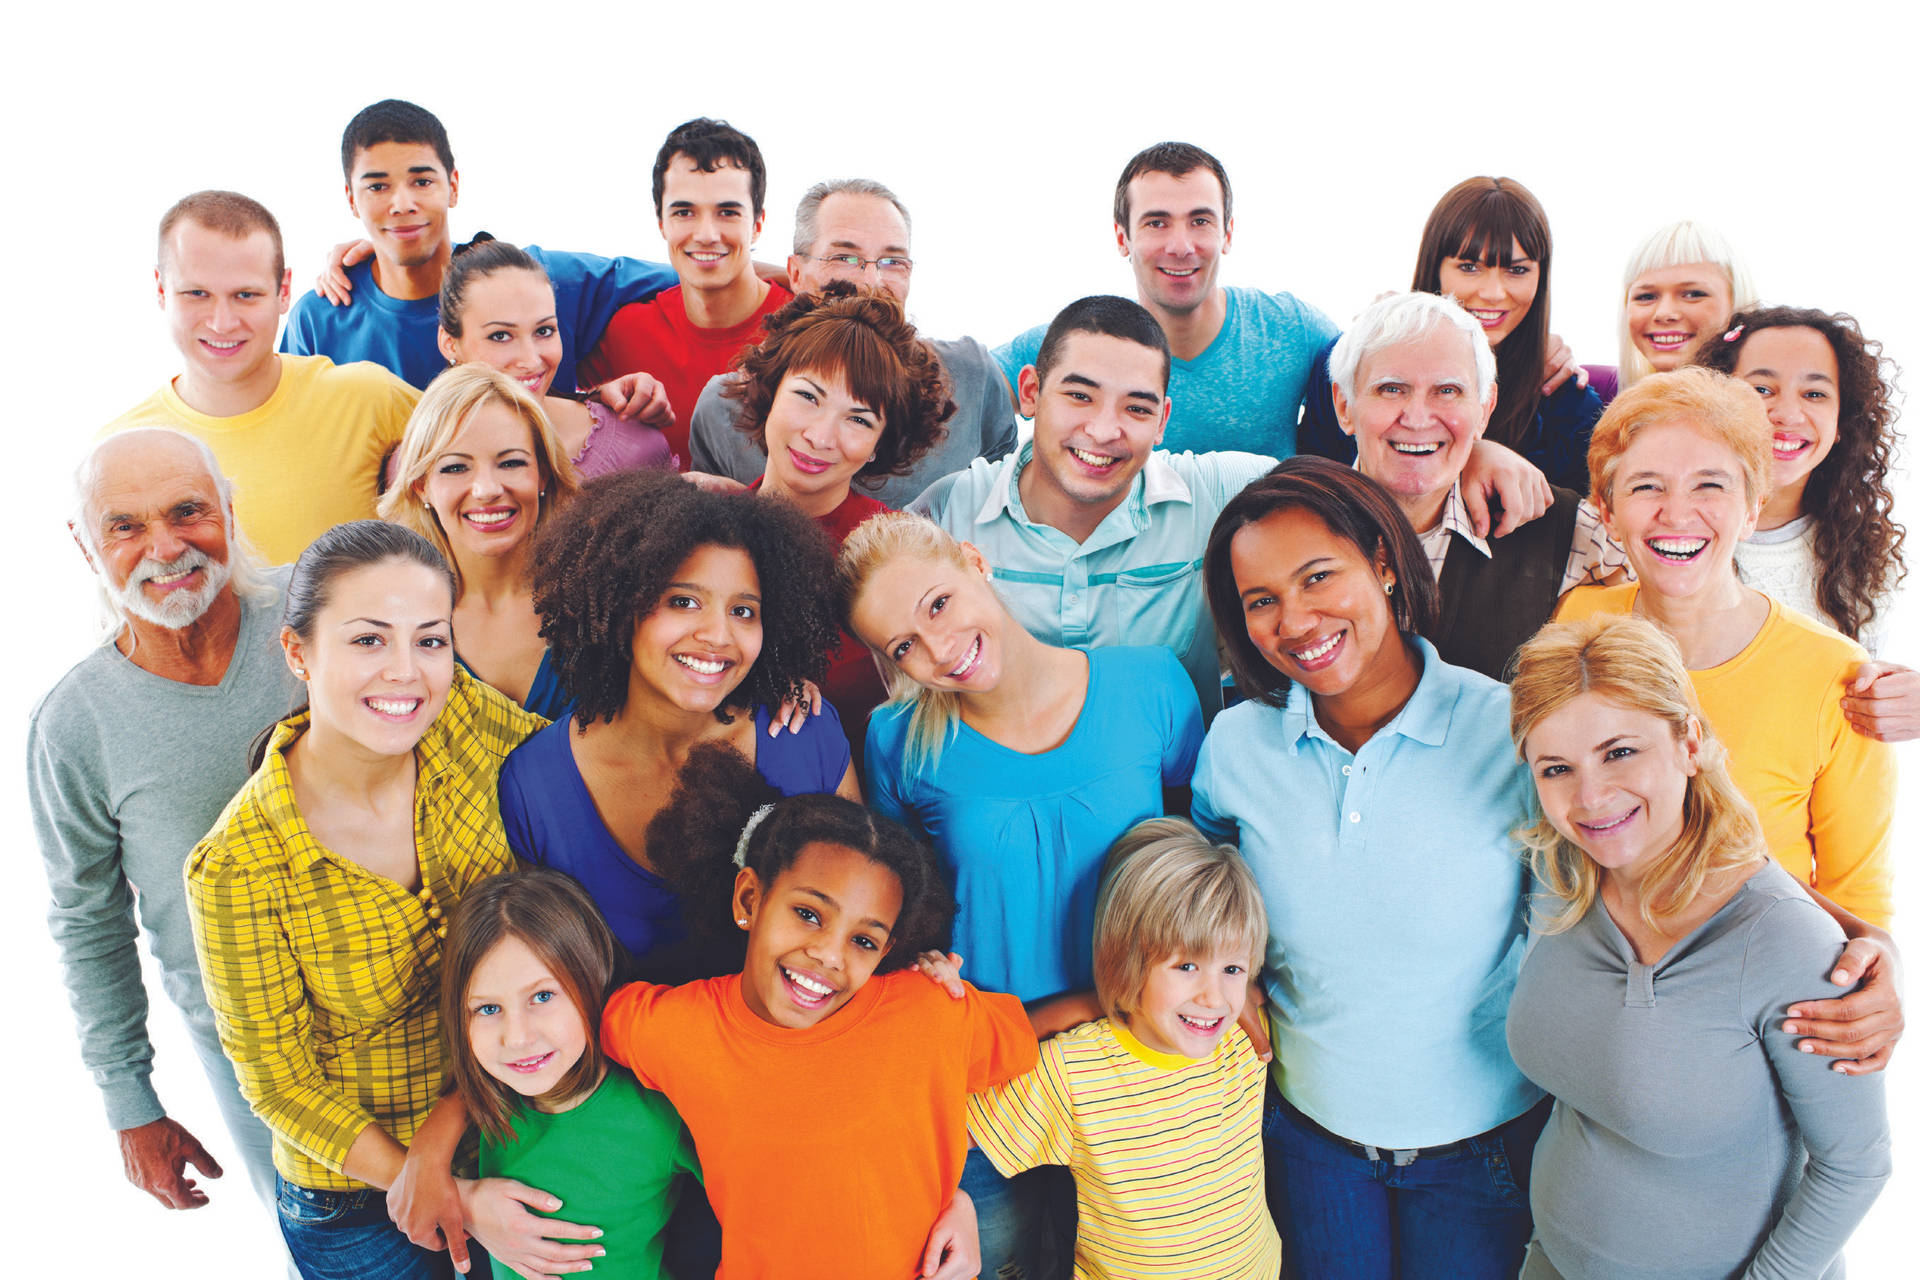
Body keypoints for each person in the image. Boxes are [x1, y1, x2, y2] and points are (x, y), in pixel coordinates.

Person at [184, 520, 589, 1280]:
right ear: (299, 653)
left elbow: (585, 760)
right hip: (358, 1208)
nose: (407, 672)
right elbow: (279, 1083)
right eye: (369, 640)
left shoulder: (464, 718)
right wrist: (444, 1190)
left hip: (514, 1123)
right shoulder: (238, 866)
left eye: (431, 640)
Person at [1191, 456, 1547, 1279]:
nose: (1297, 619)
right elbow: (1209, 868)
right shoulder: (1237, 745)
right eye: (1262, 602)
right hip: (1311, 1143)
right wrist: (1230, 971)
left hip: (1481, 1148)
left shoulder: (1510, 732)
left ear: (1385, 564)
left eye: (1319, 577)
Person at [842, 509, 1203, 1280]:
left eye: (937, 604)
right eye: (902, 645)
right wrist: (922, 966)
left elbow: (1203, 863)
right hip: (988, 1084)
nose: (937, 649)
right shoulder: (897, 741)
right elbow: (903, 910)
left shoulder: (1152, 682)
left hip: (1137, 1068)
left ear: (974, 561)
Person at [1506, 615, 1891, 1279]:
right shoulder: (1567, 878)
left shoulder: (1787, 944)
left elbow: (1855, 1166)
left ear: (1689, 742)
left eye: (1620, 752)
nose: (1590, 797)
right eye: (1557, 768)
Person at [600, 759, 1037, 1279]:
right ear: (749, 898)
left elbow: (1028, 1038)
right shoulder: (670, 1028)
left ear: (887, 951)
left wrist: (949, 1185)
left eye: (863, 941)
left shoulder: (929, 1007)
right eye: (808, 914)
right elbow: (566, 1026)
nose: (830, 955)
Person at [30, 430, 297, 1235]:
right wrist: (130, 1105)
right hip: (252, 1060)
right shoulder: (74, 724)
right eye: (126, 526)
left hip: (419, 1007)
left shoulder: (320, 614)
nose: (166, 546)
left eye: (188, 511)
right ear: (86, 545)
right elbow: (88, 923)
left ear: (228, 509)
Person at [1556, 367, 1897, 925]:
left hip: (1760, 977)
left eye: (1710, 485)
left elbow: (1858, 897)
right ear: (1608, 514)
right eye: (1647, 486)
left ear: (1753, 507)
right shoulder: (1577, 621)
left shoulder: (1835, 674)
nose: (1677, 513)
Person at [497, 470, 854, 973]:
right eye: (683, 602)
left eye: (744, 611)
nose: (717, 635)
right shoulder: (535, 786)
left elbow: (868, 912)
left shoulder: (804, 732)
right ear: (622, 606)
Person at [914, 294, 1272, 718]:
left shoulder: (1214, 492)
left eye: (1136, 408)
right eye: (1080, 396)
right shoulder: (947, 510)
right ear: (1031, 392)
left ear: (1162, 421)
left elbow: (1346, 496)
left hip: (1172, 779)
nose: (1104, 431)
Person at [965, 816, 1283, 1280]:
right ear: (1128, 960)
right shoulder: (1072, 1071)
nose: (1214, 997)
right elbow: (952, 1129)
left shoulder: (1244, 1041)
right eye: (1187, 965)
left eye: (1231, 969)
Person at [104, 190, 419, 565]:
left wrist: (407, 265)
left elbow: (498, 435)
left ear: (284, 291)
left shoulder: (368, 398)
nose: (222, 322)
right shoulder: (120, 451)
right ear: (161, 290)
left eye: (246, 295)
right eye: (197, 293)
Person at [283, 99, 677, 394]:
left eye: (422, 181)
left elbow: (686, 279)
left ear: (453, 186)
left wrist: (597, 402)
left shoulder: (537, 283)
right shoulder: (319, 319)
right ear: (352, 199)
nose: (402, 203)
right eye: (377, 187)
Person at [1328, 291, 1624, 678]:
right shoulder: (1292, 530)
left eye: (1448, 391)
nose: (1418, 419)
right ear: (1344, 406)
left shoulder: (1566, 528)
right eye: (1391, 389)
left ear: (1484, 409)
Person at [994, 142, 1337, 456]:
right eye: (1157, 223)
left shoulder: (1293, 330)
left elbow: (1375, 388)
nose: (1180, 246)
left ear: (1227, 233)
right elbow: (958, 393)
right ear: (1122, 237)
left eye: (1200, 221)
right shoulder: (1071, 344)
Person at [726, 282, 955, 754]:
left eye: (859, 420)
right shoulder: (710, 530)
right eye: (808, 397)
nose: (821, 436)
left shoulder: (899, 554)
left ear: (880, 446)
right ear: (770, 392)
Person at [688, 177, 1017, 504]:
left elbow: (1008, 499)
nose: (872, 281)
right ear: (796, 273)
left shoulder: (974, 375)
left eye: (893, 262)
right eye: (844, 258)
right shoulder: (723, 408)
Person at [441, 868, 699, 1280]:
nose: (518, 1037)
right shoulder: (492, 1100)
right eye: (488, 1009)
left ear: (592, 979)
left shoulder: (658, 1109)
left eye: (542, 996)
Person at [1301, 175, 1604, 493]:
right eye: (1470, 267)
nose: (1493, 293)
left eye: (1517, 270)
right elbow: (1314, 489)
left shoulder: (1566, 403)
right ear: (1435, 267)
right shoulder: (1349, 363)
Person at [378, 363, 585, 718]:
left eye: (511, 463)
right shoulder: (387, 618)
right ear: (421, 486)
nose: (487, 490)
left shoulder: (596, 598)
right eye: (456, 467)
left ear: (544, 474)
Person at [1695, 306, 1906, 654]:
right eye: (1762, 389)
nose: (1788, 415)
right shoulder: (1665, 526)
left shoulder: (1863, 559)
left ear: (1841, 423)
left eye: (1814, 394)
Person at [583, 118, 793, 465]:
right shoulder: (625, 333)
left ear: (757, 224)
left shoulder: (805, 327)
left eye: (727, 212)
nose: (706, 233)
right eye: (684, 212)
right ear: (661, 221)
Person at [432, 238, 676, 478]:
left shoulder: (632, 447)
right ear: (449, 344)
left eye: (544, 331)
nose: (531, 360)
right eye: (500, 336)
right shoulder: (418, 463)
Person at [1612, 219, 1756, 398]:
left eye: (1693, 294)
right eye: (1646, 297)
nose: (1664, 313)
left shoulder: (1780, 416)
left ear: (1736, 304)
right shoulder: (1598, 393)